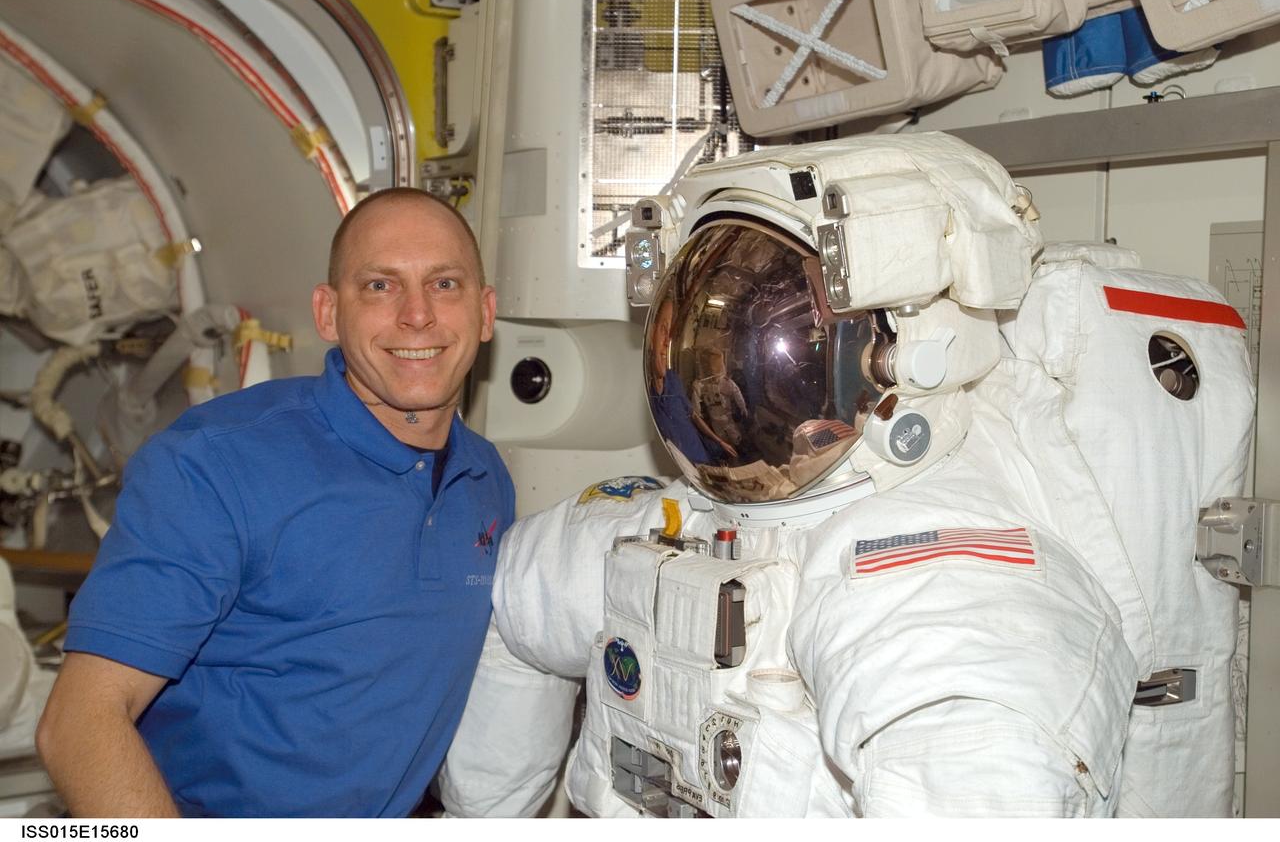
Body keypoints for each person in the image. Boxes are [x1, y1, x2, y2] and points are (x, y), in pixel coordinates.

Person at [436, 133, 1254, 817]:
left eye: (769, 342)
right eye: (704, 334)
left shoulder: (941, 592)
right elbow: (512, 610)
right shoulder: (642, 531)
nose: (722, 377)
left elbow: (979, 782)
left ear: (905, 354)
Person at [36, 187, 514, 817]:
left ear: (484, 313)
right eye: (379, 286)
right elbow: (78, 725)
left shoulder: (487, 481)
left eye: (444, 284)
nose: (417, 315)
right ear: (326, 312)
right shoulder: (214, 464)